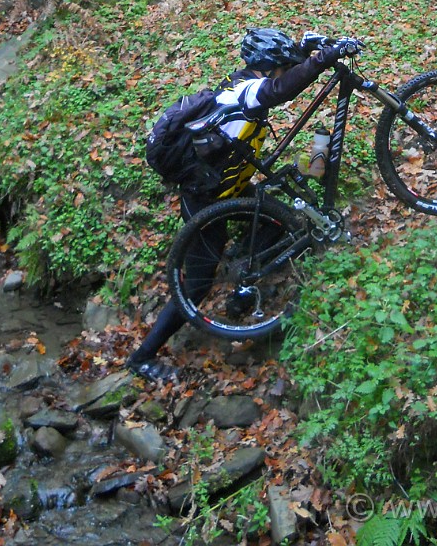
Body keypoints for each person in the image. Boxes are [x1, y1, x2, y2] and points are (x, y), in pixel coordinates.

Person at [126, 27, 360, 382]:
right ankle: (143, 357)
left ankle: (244, 284)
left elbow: (284, 74)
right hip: (207, 199)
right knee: (196, 285)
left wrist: (307, 50)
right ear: (268, 67)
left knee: (272, 223)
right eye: (280, 65)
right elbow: (280, 89)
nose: (285, 68)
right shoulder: (245, 91)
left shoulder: (245, 81)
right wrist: (322, 59)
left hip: (232, 187)